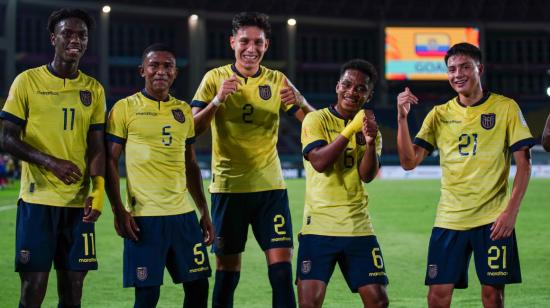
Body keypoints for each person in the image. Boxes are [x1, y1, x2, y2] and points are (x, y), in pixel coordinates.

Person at [396, 42, 535, 308]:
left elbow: (524, 164)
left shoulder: (505, 108)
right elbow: (409, 161)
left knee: (493, 296)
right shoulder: (438, 114)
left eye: (464, 67)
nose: (457, 74)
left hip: (493, 220)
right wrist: (402, 119)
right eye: (451, 69)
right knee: (437, 295)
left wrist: (510, 213)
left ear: (479, 69)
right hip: (450, 219)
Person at [191, 11, 314, 308]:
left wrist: (302, 102)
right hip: (229, 190)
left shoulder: (277, 80)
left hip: (270, 189)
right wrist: (218, 100)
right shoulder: (215, 78)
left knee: (282, 271)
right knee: (226, 273)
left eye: (257, 42)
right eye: (244, 41)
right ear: (232, 42)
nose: (251, 48)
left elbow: (314, 125)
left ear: (266, 45)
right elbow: (191, 128)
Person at [0, 8, 106, 308]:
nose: (75, 40)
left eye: (82, 35)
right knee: (33, 289)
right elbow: (7, 138)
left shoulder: (94, 89)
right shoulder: (27, 82)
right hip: (37, 203)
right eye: (68, 34)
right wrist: (50, 162)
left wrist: (97, 194)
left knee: (73, 291)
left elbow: (96, 147)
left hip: (78, 207)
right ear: (53, 38)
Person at [105, 43, 214, 308]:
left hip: (183, 217)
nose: (161, 71)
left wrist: (203, 210)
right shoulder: (124, 108)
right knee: (147, 296)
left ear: (175, 73)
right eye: (154, 65)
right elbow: (110, 159)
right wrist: (119, 210)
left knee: (199, 288)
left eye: (168, 66)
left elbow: (190, 165)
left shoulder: (183, 112)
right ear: (142, 70)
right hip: (145, 219)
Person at [297, 59, 389, 308]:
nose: (352, 91)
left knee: (379, 301)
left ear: (368, 96)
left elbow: (367, 176)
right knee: (309, 304)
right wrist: (350, 130)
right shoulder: (315, 120)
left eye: (361, 88)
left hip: (357, 226)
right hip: (318, 227)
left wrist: (369, 142)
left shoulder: (372, 130)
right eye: (347, 84)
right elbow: (319, 162)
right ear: (337, 86)